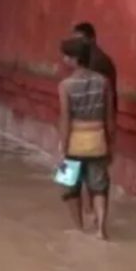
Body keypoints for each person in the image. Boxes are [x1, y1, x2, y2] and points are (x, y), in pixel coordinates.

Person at [57, 36, 116, 240]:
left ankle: (79, 228)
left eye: (65, 56)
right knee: (99, 186)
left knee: (69, 187)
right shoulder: (104, 82)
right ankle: (101, 229)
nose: (64, 59)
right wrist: (111, 145)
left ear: (73, 59)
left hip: (74, 142)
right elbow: (109, 118)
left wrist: (62, 148)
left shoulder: (66, 85)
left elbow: (65, 119)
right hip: (98, 140)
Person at [72, 21, 118, 216]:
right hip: (97, 128)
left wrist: (62, 140)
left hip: (82, 130)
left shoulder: (91, 66)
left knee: (71, 180)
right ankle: (97, 224)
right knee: (96, 176)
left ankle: (82, 220)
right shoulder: (101, 61)